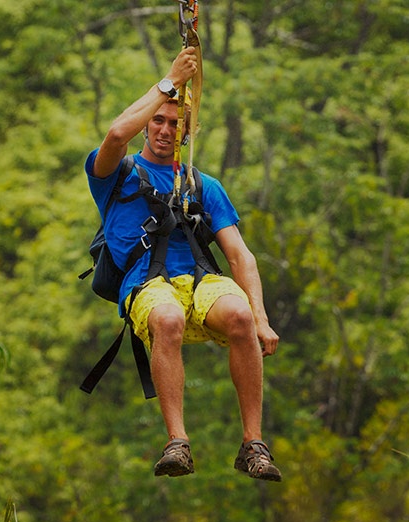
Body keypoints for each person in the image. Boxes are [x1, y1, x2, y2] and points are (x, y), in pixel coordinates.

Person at [84, 47, 283, 482]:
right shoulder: (116, 174)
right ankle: (178, 442)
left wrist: (261, 318)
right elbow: (116, 134)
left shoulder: (201, 184)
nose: (165, 129)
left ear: (186, 133)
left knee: (239, 315)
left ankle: (254, 443)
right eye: (158, 120)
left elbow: (239, 254)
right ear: (148, 123)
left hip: (198, 279)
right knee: (169, 318)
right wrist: (170, 82)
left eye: (175, 124)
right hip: (147, 285)